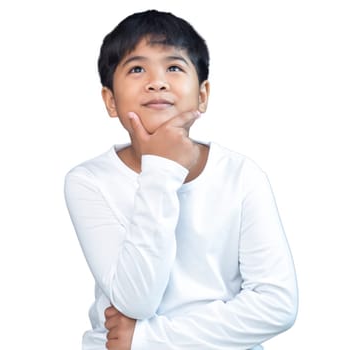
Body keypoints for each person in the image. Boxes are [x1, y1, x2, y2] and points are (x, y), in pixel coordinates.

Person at [64, 9, 298, 350]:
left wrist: (146, 338)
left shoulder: (241, 175)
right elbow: (136, 300)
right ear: (110, 101)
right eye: (137, 68)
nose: (157, 82)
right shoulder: (88, 181)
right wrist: (161, 169)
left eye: (174, 67)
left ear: (202, 94)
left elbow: (277, 306)